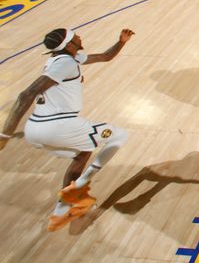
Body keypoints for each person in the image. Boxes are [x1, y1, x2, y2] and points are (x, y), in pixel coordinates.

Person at [0, 28, 133, 231]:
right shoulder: (65, 63)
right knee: (119, 136)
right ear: (69, 44)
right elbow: (25, 95)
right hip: (58, 125)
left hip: (37, 128)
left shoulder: (69, 58)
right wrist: (5, 134)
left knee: (83, 152)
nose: (79, 36)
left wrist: (121, 42)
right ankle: (76, 194)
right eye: (75, 36)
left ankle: (63, 209)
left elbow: (105, 57)